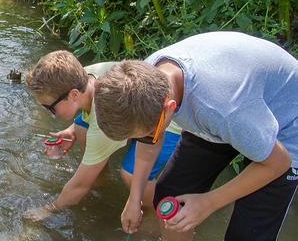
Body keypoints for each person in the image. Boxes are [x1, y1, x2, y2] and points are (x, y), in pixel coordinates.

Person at [93, 31, 298, 240]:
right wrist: (134, 198)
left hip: (286, 124)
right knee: (169, 198)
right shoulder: (141, 80)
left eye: (149, 134)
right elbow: (150, 137)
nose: (148, 139)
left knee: (247, 235)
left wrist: (208, 203)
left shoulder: (223, 110)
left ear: (169, 107)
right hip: (234, 109)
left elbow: (279, 162)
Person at [23, 51, 181, 222]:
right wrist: (72, 130)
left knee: (131, 174)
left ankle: (156, 212)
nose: (49, 113)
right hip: (138, 105)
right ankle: (99, 179)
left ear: (73, 95)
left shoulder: (101, 125)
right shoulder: (87, 77)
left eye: (50, 108)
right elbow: (88, 114)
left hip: (167, 121)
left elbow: (79, 186)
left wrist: (50, 209)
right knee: (82, 129)